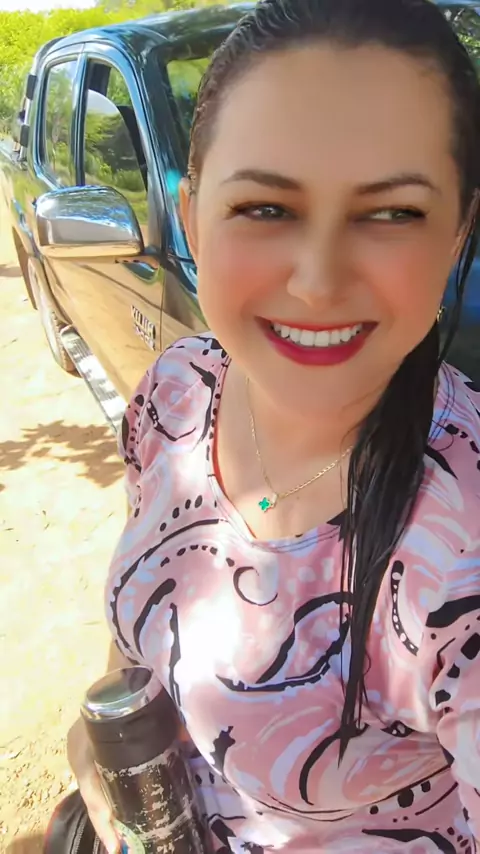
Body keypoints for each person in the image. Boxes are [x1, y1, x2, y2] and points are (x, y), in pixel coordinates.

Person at [67, 0, 480, 850]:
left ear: (457, 235)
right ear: (191, 217)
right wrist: (104, 737)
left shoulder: (463, 544)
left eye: (392, 213)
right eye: (265, 208)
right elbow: (147, 600)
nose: (319, 281)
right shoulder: (178, 391)